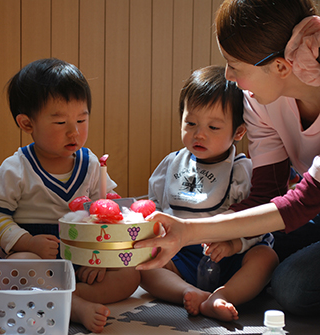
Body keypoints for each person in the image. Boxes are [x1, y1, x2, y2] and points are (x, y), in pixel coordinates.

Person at [136, 0, 320, 317]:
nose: (228, 76)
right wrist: (220, 235)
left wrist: (191, 231)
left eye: (234, 64)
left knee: (291, 285)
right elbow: (268, 195)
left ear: (280, 67)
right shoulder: (260, 103)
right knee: (265, 249)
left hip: (311, 205)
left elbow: (303, 201)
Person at [0, 58, 141, 333]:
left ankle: (66, 297)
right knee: (18, 268)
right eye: (60, 122)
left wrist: (101, 257)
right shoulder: (15, 169)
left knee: (130, 274)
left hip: (83, 260)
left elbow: (108, 211)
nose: (74, 131)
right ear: (27, 123)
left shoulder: (91, 164)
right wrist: (28, 243)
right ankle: (75, 306)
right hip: (37, 258)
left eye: (82, 119)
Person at [141, 65, 278, 322]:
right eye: (190, 123)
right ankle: (189, 292)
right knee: (144, 266)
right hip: (181, 255)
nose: (199, 134)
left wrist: (234, 244)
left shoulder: (241, 170)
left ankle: (224, 295)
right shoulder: (171, 164)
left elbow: (259, 224)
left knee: (265, 257)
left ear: (238, 132)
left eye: (213, 127)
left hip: (231, 256)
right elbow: (154, 208)